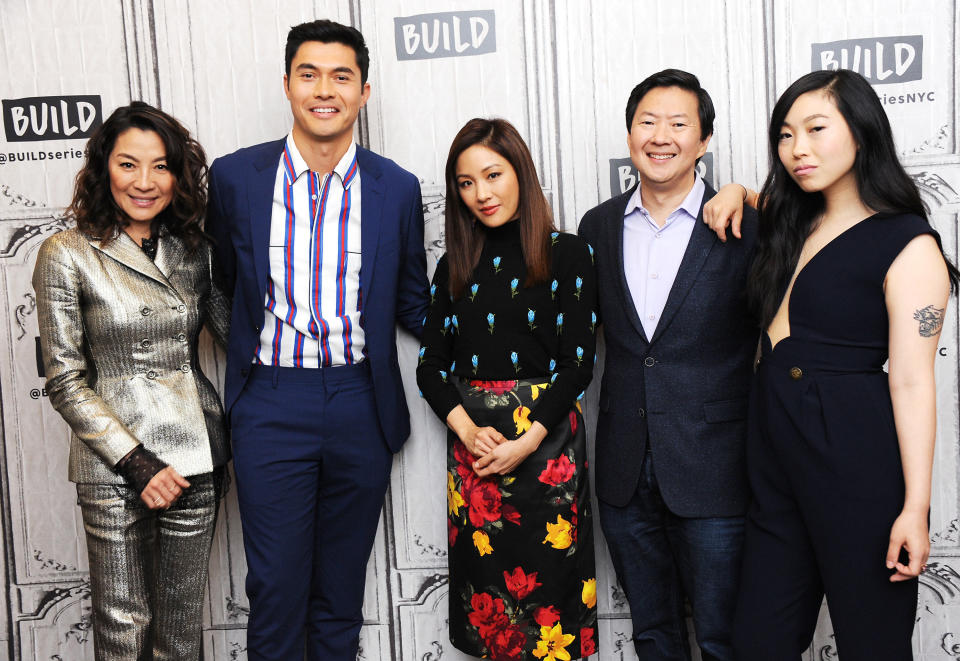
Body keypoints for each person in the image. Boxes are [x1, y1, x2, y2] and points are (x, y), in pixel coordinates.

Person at [205, 19, 429, 661]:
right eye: (309, 74)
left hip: (362, 400)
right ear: (286, 84)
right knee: (275, 587)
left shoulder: (398, 188)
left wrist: (509, 311)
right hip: (271, 402)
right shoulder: (235, 178)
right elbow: (220, 284)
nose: (323, 89)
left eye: (341, 76)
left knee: (339, 592)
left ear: (364, 90)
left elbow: (412, 299)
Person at [730, 69, 956, 660]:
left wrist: (915, 508)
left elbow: (911, 381)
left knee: (873, 646)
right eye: (785, 134)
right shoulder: (790, 221)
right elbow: (758, 202)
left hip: (857, 465)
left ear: (861, 131)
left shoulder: (909, 243)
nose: (797, 148)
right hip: (773, 465)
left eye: (815, 129)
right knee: (758, 643)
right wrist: (733, 191)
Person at [32, 101, 229, 660]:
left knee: (180, 631)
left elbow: (241, 340)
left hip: (196, 457)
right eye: (128, 164)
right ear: (103, 168)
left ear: (178, 175)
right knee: (123, 627)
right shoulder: (65, 254)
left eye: (161, 166)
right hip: (115, 465)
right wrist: (138, 463)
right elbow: (65, 378)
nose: (145, 182)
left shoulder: (194, 251)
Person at [577, 69, 759, 661]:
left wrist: (749, 192)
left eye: (680, 124)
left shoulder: (741, 224)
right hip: (624, 471)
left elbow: (816, 214)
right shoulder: (596, 227)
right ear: (629, 135)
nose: (662, 136)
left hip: (715, 468)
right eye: (648, 122)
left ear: (703, 141)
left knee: (724, 635)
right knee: (653, 635)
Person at [416, 118, 599, 661]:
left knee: (553, 617)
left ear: (520, 171)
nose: (482, 193)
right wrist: (470, 433)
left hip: (548, 455)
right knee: (489, 616)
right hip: (476, 459)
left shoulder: (569, 254)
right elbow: (430, 368)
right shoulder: (455, 264)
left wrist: (526, 440)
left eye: (493, 175)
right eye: (466, 183)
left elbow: (577, 365)